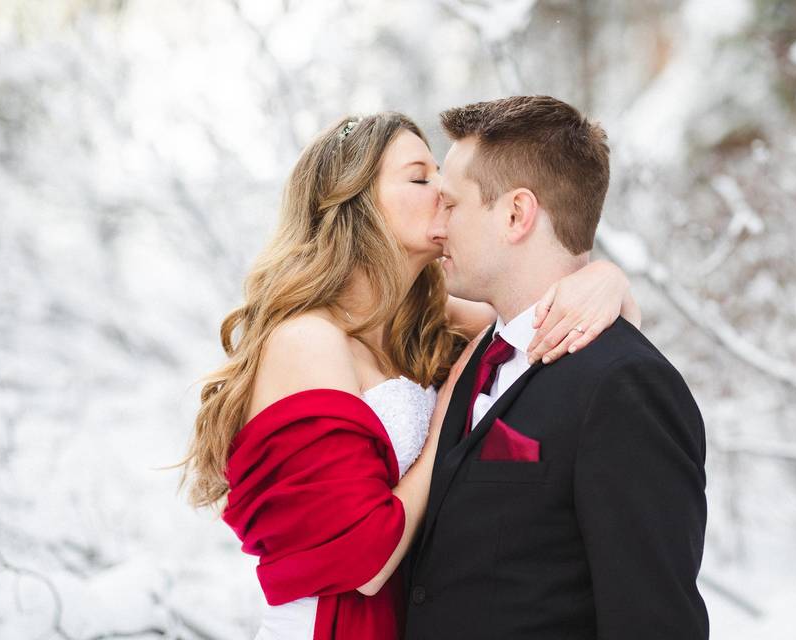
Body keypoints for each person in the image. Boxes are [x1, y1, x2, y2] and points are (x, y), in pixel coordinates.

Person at [177, 111, 641, 640]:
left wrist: (605, 277)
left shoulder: (428, 320)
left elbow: (550, 317)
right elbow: (365, 562)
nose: (443, 188)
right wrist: (446, 420)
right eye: (420, 178)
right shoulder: (306, 339)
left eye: (441, 174)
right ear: (355, 204)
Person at [405, 96, 709, 639]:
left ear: (517, 214)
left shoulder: (623, 385)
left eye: (451, 205)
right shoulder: (467, 351)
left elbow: (654, 621)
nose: (438, 225)